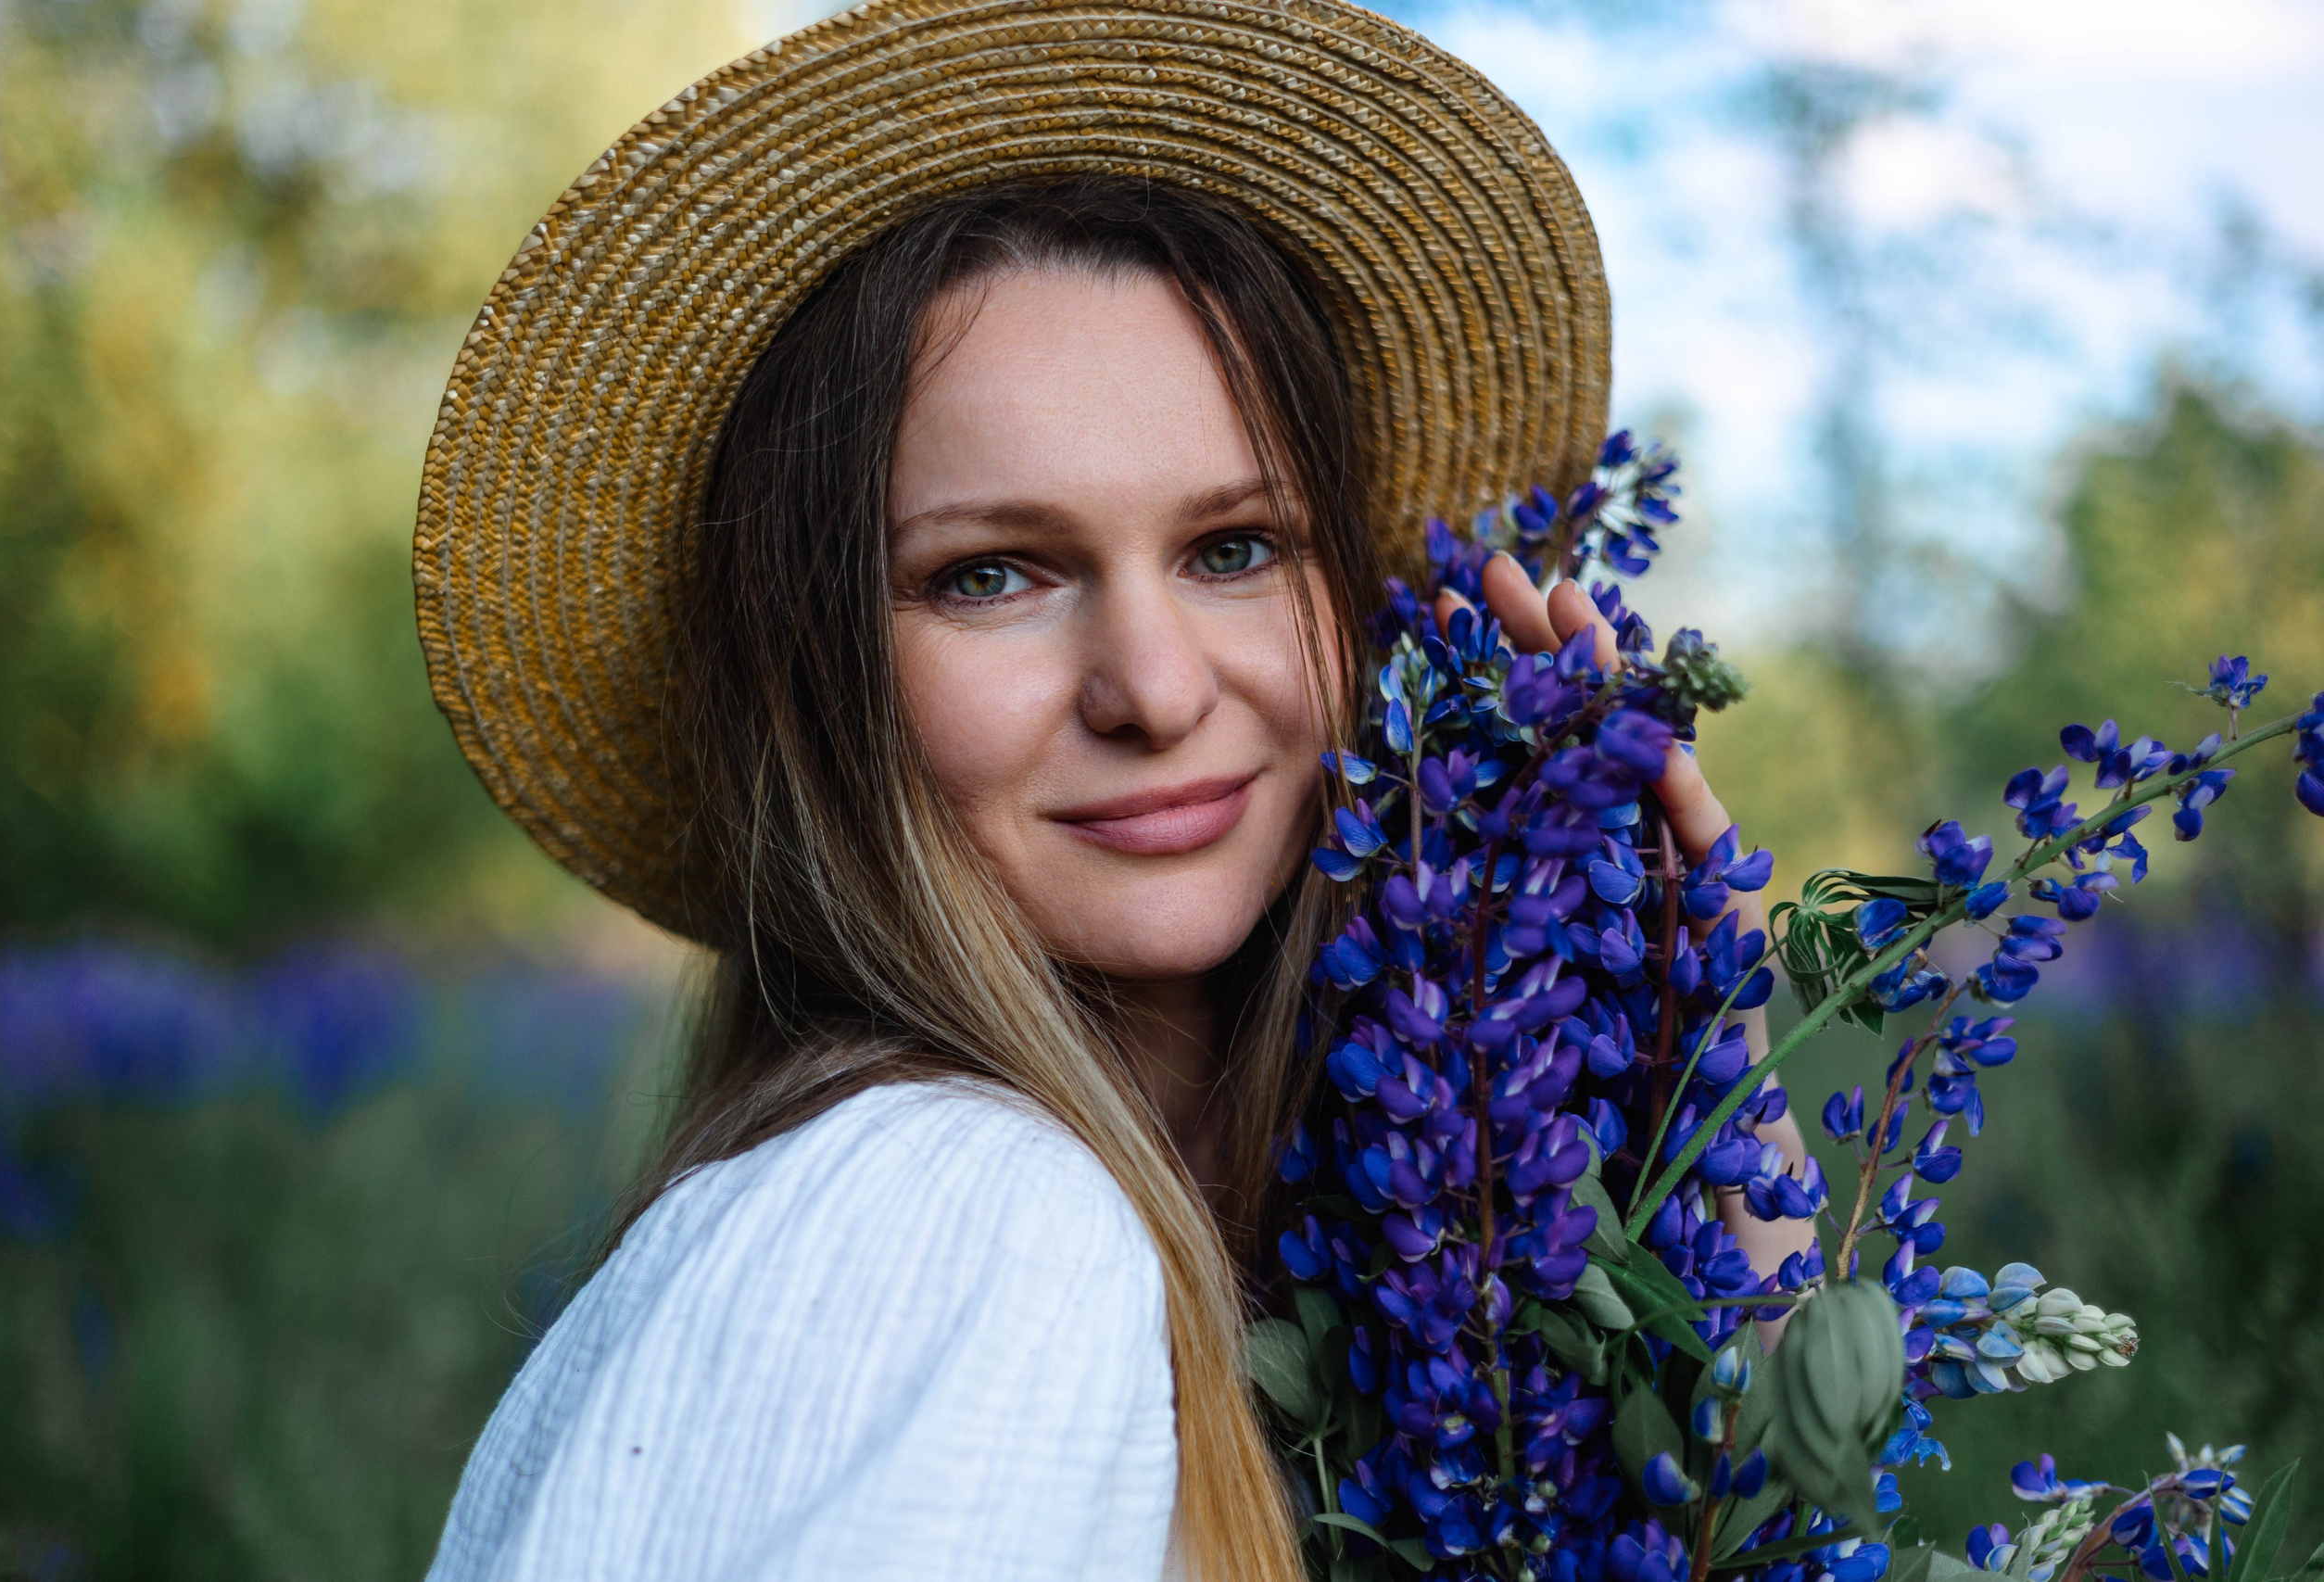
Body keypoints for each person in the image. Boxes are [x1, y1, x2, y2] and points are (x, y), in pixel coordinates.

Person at [410, 4, 1817, 1578]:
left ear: (1359, 608)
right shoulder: (956, 1218)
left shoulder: (1281, 1256)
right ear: (821, 675)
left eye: (1235, 549)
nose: (1153, 690)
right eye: (991, 575)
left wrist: (1707, 1133)